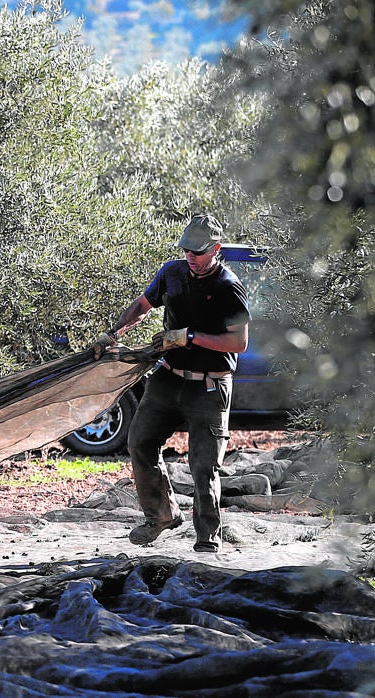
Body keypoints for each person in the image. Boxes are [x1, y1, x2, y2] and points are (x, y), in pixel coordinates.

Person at [90, 213, 250, 553]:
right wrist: (114, 332)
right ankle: (161, 515)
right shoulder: (171, 273)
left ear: (216, 249)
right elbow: (143, 305)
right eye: (187, 251)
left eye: (199, 252)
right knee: (139, 442)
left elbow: (238, 343)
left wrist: (189, 336)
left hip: (210, 385)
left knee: (204, 466)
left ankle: (208, 538)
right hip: (167, 378)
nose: (191, 258)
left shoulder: (228, 286)